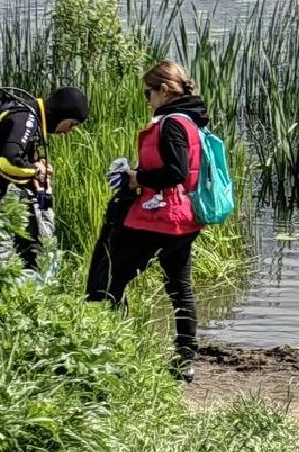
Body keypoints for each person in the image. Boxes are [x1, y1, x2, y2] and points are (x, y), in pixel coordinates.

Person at [85, 61, 207, 382]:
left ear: (164, 90)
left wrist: (136, 177)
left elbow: (176, 172)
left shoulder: (171, 124)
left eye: (147, 92)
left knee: (113, 278)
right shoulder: (192, 122)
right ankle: (185, 361)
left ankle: (104, 351)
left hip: (160, 218)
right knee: (179, 288)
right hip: (184, 219)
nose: (146, 98)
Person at [0, 78, 88, 270]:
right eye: (71, 124)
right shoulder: (28, 118)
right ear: (62, 114)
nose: (67, 132)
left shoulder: (30, 115)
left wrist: (33, 169)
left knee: (24, 252)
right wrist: (36, 170)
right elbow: (8, 162)